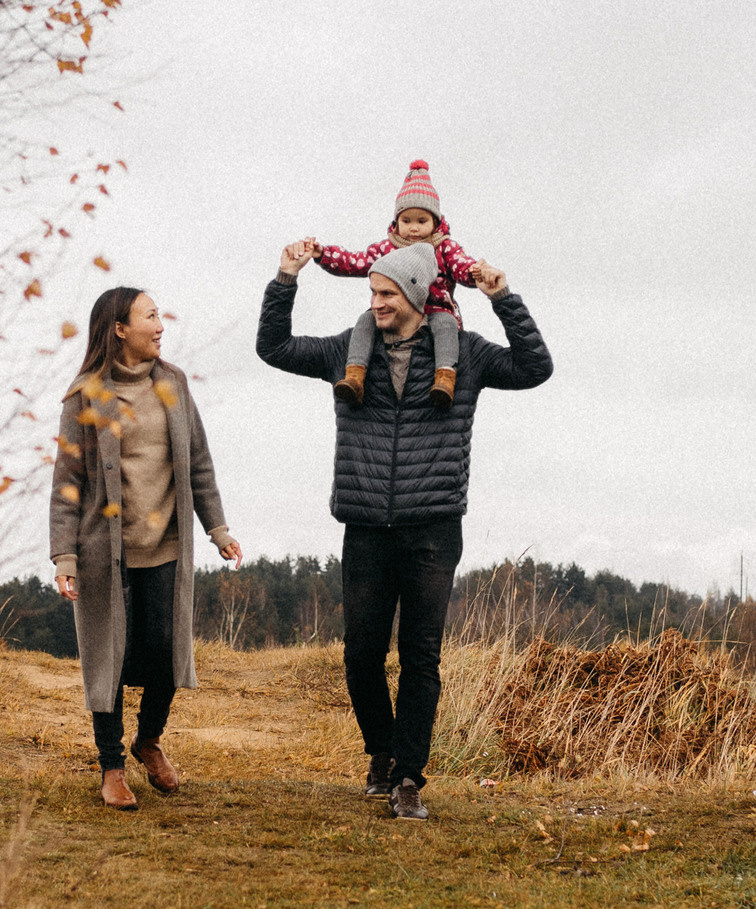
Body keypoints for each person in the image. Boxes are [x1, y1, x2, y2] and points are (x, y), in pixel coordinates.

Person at [257, 224, 552, 820]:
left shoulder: (464, 355)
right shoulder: (348, 351)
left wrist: (503, 299)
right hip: (365, 525)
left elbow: (534, 367)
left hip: (433, 529)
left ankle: (409, 778)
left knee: (421, 658)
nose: (376, 303)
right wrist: (285, 280)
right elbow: (275, 347)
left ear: (417, 296)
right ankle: (382, 753)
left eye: (387, 294)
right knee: (361, 655)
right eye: (373, 293)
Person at [50, 287, 241, 810]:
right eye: (150, 316)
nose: (160, 325)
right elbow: (67, 482)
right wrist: (64, 556)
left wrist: (218, 528)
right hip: (103, 550)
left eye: (159, 316)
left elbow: (198, 463)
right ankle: (111, 766)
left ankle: (148, 740)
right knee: (108, 658)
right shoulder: (85, 396)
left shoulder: (172, 384)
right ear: (120, 329)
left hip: (166, 545)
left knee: (166, 651)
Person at [299, 159, 485, 411]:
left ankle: (444, 379)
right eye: (406, 221)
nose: (414, 228)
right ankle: (354, 376)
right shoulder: (387, 248)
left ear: (435, 222)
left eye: (422, 221)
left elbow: (461, 265)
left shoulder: (444, 247)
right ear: (397, 222)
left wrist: (474, 273)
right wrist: (323, 254)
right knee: (365, 321)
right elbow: (356, 262)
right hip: (394, 312)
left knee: (447, 325)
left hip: (435, 309)